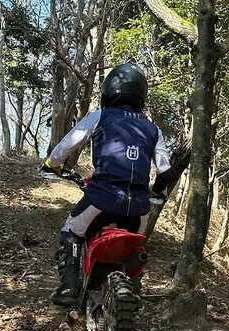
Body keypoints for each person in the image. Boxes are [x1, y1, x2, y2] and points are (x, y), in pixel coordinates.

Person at [40, 62, 173, 306]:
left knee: (71, 231)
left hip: (101, 198)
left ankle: (69, 287)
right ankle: (133, 289)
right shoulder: (153, 129)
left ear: (109, 91)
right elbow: (165, 171)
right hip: (139, 209)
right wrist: (156, 193)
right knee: (135, 244)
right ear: (141, 96)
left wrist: (52, 163)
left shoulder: (100, 116)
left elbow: (69, 143)